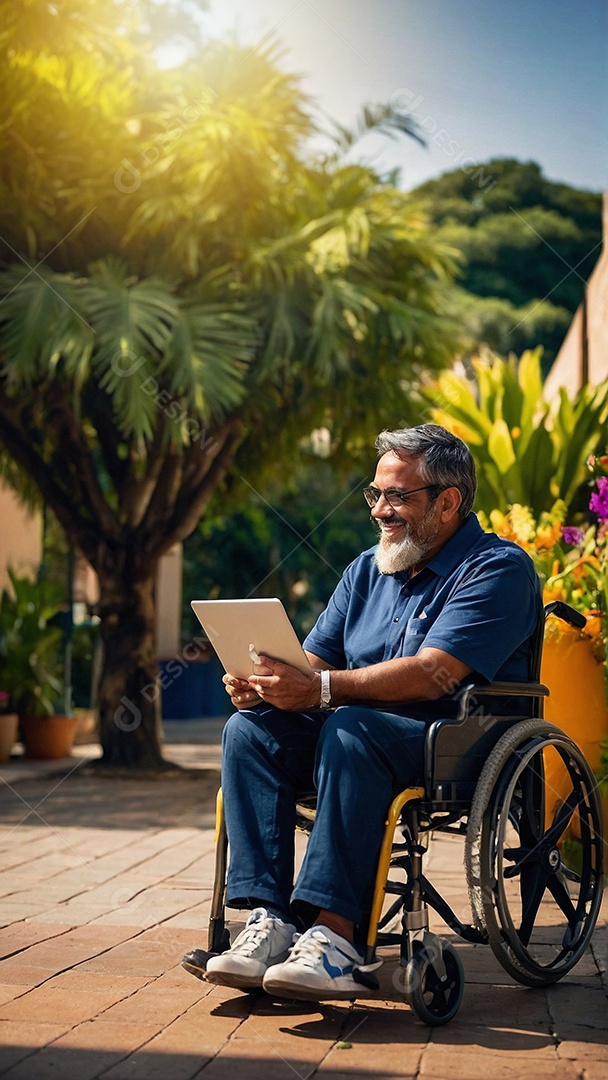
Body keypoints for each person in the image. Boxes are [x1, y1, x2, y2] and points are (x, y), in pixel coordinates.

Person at [184, 424, 542, 1001]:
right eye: (375, 494)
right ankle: (269, 922)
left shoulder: (496, 568)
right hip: (350, 734)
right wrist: (268, 684)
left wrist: (320, 689)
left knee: (349, 728)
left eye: (397, 496)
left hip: (449, 741)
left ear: (448, 502)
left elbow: (436, 673)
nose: (381, 509)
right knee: (248, 731)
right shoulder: (365, 570)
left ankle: (335, 938)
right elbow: (314, 660)